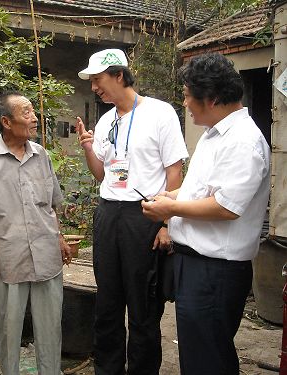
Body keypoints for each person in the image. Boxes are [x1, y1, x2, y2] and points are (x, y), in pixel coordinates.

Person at [142, 52, 270, 375]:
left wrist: (170, 208)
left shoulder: (243, 141)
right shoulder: (214, 135)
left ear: (211, 99)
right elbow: (203, 192)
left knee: (208, 360)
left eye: (187, 97)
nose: (184, 104)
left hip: (215, 271)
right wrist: (173, 195)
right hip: (195, 265)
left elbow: (226, 206)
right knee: (198, 355)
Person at [76, 48, 188, 374]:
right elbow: (102, 174)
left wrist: (167, 222)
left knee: (143, 306)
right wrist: (87, 147)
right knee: (107, 304)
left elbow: (174, 171)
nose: (94, 87)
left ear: (119, 76)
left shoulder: (160, 112)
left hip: (146, 215)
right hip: (109, 213)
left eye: (98, 79)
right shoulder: (107, 119)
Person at [0, 92, 72, 375]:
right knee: (8, 330)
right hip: (8, 260)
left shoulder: (42, 156)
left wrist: (60, 238)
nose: (34, 118)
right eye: (26, 113)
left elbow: (51, 205)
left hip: (47, 258)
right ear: (6, 121)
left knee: (50, 329)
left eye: (33, 112)